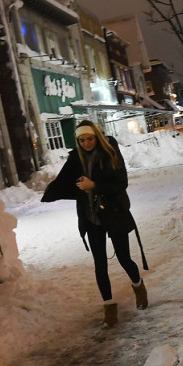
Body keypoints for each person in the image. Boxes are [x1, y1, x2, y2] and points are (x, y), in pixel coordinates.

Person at [42, 120, 148, 328]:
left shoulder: (110, 153)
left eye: (90, 139)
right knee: (100, 264)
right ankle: (109, 307)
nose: (87, 143)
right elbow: (64, 181)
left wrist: (95, 185)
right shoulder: (76, 158)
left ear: (96, 137)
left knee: (124, 258)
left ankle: (138, 285)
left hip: (113, 213)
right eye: (82, 140)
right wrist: (51, 192)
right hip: (91, 217)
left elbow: (121, 182)